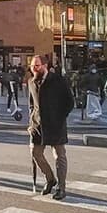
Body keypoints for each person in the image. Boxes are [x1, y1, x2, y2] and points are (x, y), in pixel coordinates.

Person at [28, 54, 74, 200]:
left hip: (56, 124)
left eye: (37, 65)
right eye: (32, 66)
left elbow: (69, 102)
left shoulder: (58, 80)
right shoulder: (31, 82)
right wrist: (31, 122)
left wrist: (60, 117)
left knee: (59, 156)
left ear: (45, 66)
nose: (34, 68)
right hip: (38, 125)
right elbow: (32, 105)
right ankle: (50, 179)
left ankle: (61, 187)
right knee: (35, 152)